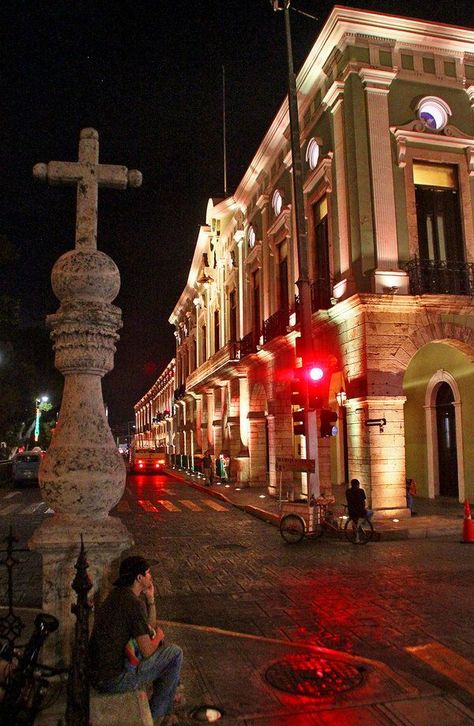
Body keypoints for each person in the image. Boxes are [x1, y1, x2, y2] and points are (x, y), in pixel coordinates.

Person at [89, 556, 183, 726]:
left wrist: (151, 600)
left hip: (99, 673)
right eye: (147, 573)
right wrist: (160, 635)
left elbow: (148, 630)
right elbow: (148, 649)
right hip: (113, 680)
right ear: (139, 578)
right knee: (175, 654)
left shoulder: (118, 595)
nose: (150, 576)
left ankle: (168, 708)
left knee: (161, 649)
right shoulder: (132, 604)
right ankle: (156, 714)